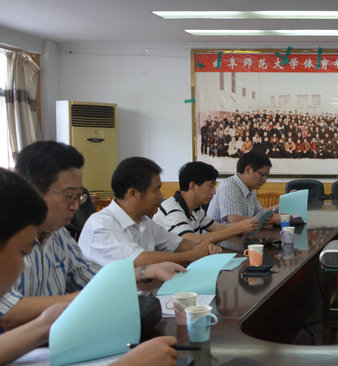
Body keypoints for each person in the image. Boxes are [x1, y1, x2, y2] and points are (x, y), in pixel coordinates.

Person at [0, 168, 178, 366]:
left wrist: (43, 326)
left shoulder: (58, 236)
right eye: (22, 252)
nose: (23, 267)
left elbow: (93, 277)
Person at [0, 142, 184, 332]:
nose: (75, 206)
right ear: (32, 190)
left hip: (51, 338)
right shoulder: (6, 237)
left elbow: (90, 277)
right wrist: (90, 297)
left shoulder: (58, 235)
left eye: (79, 197)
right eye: (68, 195)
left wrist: (148, 272)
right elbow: (8, 314)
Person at [79, 157, 222, 267]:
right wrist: (191, 255)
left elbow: (176, 243)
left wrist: (201, 247)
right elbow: (140, 260)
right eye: (156, 190)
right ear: (133, 194)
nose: (161, 195)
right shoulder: (101, 224)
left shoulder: (144, 221)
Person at [153, 161, 259, 244]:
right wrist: (238, 228)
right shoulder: (172, 209)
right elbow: (190, 240)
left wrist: (244, 225)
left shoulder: (196, 209)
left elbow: (219, 228)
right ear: (192, 186)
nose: (214, 192)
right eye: (210, 186)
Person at [207, 151, 281, 228]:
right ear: (248, 170)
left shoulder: (250, 189)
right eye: (262, 175)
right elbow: (235, 221)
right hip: (220, 236)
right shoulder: (229, 186)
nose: (264, 180)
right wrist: (271, 220)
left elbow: (259, 214)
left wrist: (278, 207)